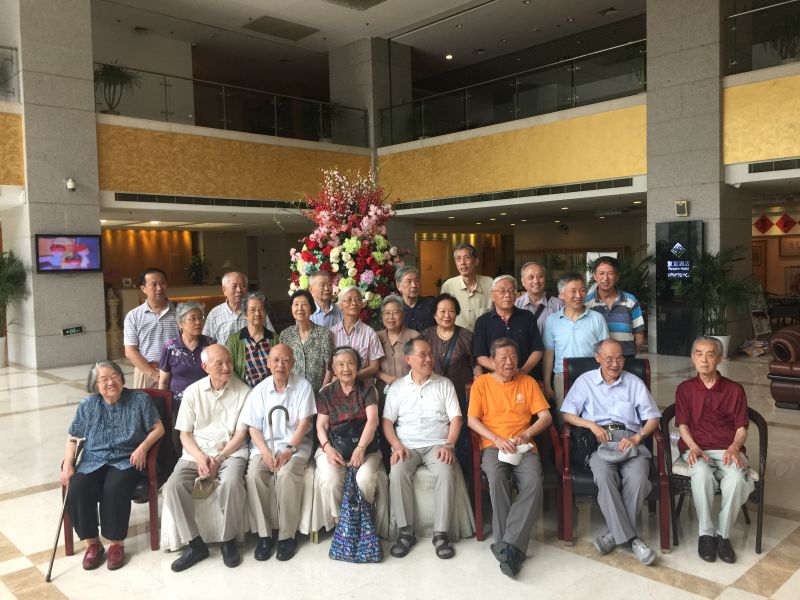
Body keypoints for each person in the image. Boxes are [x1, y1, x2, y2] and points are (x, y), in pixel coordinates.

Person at [560, 339, 661, 566]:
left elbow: (653, 417)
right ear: (597, 358)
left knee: (638, 478)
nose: (615, 364)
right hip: (600, 442)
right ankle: (633, 540)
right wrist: (591, 425)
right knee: (604, 476)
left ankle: (613, 535)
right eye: (609, 359)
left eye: (620, 358)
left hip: (629, 440)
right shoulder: (585, 381)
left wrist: (637, 437)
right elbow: (567, 414)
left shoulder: (634, 382)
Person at [61, 361, 164, 571]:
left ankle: (117, 544)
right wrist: (68, 464)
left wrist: (143, 448)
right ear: (95, 384)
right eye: (104, 379)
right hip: (93, 459)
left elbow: (158, 428)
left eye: (114, 376)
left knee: (115, 487)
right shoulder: (88, 404)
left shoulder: (139, 399)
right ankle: (93, 544)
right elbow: (73, 438)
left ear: (122, 378)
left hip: (127, 459)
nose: (110, 382)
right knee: (78, 487)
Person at [467, 338, 552, 578]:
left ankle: (507, 545)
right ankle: (510, 546)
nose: (509, 362)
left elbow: (545, 417)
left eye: (513, 357)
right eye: (503, 358)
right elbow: (472, 420)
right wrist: (496, 439)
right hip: (493, 445)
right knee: (496, 478)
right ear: (492, 361)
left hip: (523, 446)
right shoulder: (482, 383)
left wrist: (527, 434)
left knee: (534, 482)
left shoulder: (528, 382)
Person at [163, 344, 250, 572]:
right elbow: (184, 434)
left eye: (228, 361)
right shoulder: (192, 392)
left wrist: (219, 458)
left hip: (230, 453)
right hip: (196, 452)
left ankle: (228, 540)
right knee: (173, 486)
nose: (227, 367)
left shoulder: (244, 392)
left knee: (232, 483)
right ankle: (195, 545)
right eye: (219, 363)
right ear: (205, 367)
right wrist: (201, 458)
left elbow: (241, 435)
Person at [675, 336, 755, 564]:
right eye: (699, 354)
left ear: (719, 359)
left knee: (737, 479)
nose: (704, 360)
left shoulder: (734, 390)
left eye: (710, 354)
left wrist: (734, 447)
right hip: (696, 448)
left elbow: (741, 428)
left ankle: (722, 535)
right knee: (701, 474)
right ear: (693, 357)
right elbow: (683, 426)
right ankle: (705, 534)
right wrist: (693, 447)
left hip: (728, 449)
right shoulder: (685, 389)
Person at [382, 338, 462, 560]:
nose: (429, 359)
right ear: (408, 359)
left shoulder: (444, 384)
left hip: (438, 444)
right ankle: (405, 532)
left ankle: (441, 533)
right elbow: (387, 422)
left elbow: (456, 418)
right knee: (397, 471)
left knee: (446, 470)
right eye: (423, 355)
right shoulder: (397, 387)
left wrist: (449, 445)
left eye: (430, 354)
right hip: (407, 445)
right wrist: (397, 446)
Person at [241, 344, 316, 562]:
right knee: (254, 475)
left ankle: (286, 536)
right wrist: (265, 452)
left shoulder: (303, 387)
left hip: (295, 446)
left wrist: (288, 451)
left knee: (286, 474)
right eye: (275, 360)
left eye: (285, 360)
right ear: (268, 363)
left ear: (293, 363)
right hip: (265, 446)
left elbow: (304, 423)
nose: (280, 365)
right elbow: (253, 427)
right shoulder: (260, 390)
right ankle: (265, 536)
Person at [316, 346, 382, 524]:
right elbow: (321, 425)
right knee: (331, 480)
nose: (346, 368)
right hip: (333, 446)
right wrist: (328, 449)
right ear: (333, 369)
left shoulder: (367, 389)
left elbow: (372, 421)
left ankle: (363, 520)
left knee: (364, 479)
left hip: (365, 446)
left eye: (350, 363)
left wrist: (361, 449)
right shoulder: (326, 392)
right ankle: (341, 522)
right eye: (340, 364)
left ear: (358, 366)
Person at [421, 293, 479, 477]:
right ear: (434, 314)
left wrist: (478, 387)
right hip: (433, 395)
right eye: (442, 311)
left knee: (462, 436)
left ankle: (465, 477)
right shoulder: (426, 336)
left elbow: (476, 364)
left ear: (457, 313)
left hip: (461, 395)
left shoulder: (466, 336)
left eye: (451, 311)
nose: (447, 315)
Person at [542, 273, 609, 406]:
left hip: (592, 375)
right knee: (564, 415)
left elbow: (606, 351)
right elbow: (549, 353)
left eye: (582, 290)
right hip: (562, 376)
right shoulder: (552, 321)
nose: (578, 295)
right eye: (573, 291)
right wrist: (547, 383)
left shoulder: (597, 318)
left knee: (592, 413)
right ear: (561, 295)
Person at [473, 275, 544, 381]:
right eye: (502, 291)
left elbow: (537, 349)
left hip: (524, 378)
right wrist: (505, 371)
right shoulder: (482, 321)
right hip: (495, 381)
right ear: (492, 296)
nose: (507, 295)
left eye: (511, 291)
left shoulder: (527, 317)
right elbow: (481, 356)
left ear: (516, 295)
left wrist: (522, 371)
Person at [124, 267, 178, 388]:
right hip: (146, 372)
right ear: (143, 289)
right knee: (145, 401)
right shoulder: (133, 316)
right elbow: (130, 351)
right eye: (154, 284)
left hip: (176, 371)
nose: (159, 288)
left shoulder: (180, 312)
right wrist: (152, 373)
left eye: (163, 283)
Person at [585, 256, 645, 357]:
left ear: (617, 276)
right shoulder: (586, 303)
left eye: (610, 273)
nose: (605, 278)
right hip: (597, 360)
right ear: (595, 276)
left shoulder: (631, 301)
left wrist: (630, 356)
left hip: (626, 358)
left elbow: (639, 335)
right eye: (601, 273)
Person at [159, 301, 215, 408]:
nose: (198, 322)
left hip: (206, 402)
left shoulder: (210, 344)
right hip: (178, 405)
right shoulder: (170, 347)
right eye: (193, 318)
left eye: (200, 318)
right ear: (180, 323)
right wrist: (162, 406)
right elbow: (164, 382)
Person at [279, 289, 334, 396]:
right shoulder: (285, 335)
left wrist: (322, 393)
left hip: (318, 394)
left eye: (304, 304)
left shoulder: (324, 334)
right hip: (292, 393)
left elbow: (330, 367)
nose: (300, 308)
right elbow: (283, 366)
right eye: (296, 304)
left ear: (311, 308)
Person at [330, 286, 384, 383]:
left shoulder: (370, 333)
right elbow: (328, 364)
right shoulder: (332, 332)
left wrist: (350, 376)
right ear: (341, 305)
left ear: (362, 304)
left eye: (358, 299)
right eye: (349, 300)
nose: (354, 303)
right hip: (337, 386)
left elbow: (374, 367)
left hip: (362, 386)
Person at [203, 271, 275, 344]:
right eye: (234, 286)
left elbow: (272, 338)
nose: (239, 290)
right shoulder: (214, 314)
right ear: (224, 290)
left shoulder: (258, 312)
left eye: (243, 286)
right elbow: (205, 343)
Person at [439, 243, 494, 331]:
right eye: (458, 259)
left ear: (476, 261)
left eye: (467, 258)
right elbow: (442, 316)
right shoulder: (448, 286)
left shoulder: (490, 284)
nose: (462, 263)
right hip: (457, 337)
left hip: (484, 336)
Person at [226, 292, 276, 388]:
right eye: (252, 310)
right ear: (245, 314)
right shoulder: (233, 341)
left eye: (261, 309)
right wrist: (245, 391)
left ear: (266, 312)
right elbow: (230, 368)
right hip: (242, 392)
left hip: (269, 391)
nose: (257, 313)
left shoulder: (275, 340)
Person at [376, 295, 420, 392]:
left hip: (410, 391)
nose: (391, 317)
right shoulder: (376, 338)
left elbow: (421, 366)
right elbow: (371, 366)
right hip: (383, 394)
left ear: (403, 315)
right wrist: (385, 377)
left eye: (395, 313)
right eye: (387, 313)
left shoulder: (415, 337)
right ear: (382, 316)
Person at [515, 262, 561, 336]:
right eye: (531, 277)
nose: (536, 281)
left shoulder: (558, 305)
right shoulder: (516, 305)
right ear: (523, 282)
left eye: (540, 276)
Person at [395, 266, 435, 332]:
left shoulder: (431, 305)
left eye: (416, 281)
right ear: (398, 286)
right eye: (408, 282)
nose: (414, 285)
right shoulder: (395, 308)